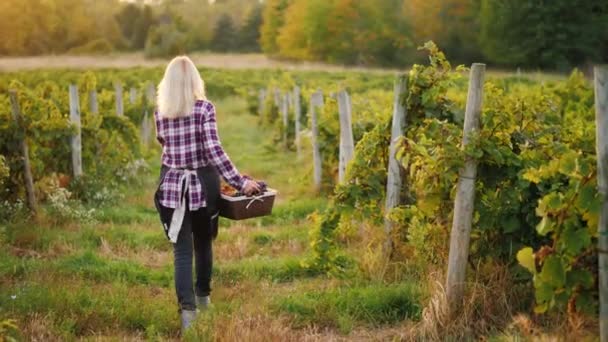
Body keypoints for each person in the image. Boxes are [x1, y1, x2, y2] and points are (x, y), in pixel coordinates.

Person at [152, 56, 260, 333]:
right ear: (195, 81)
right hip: (202, 183)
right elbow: (213, 150)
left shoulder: (160, 112)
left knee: (182, 250)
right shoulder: (204, 109)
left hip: (172, 184)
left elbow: (163, 144)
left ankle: (187, 316)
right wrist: (239, 182)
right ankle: (204, 300)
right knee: (203, 242)